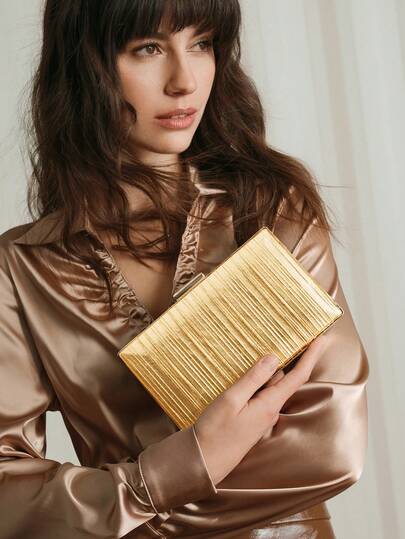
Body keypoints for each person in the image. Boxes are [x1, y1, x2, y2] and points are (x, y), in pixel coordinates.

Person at [0, 1, 369, 538]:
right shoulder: (23, 267)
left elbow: (330, 450)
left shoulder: (267, 210)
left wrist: (133, 503)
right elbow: (8, 494)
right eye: (148, 48)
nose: (185, 81)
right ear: (85, 66)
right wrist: (181, 470)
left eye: (202, 44)